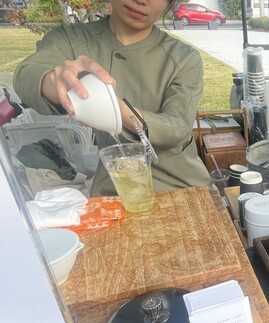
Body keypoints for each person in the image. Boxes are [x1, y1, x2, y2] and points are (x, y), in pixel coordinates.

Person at [14, 0, 211, 197]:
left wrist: (114, 109)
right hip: (114, 186)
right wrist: (56, 83)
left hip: (180, 185)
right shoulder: (71, 38)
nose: (141, 1)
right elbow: (27, 75)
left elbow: (177, 128)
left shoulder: (183, 58)